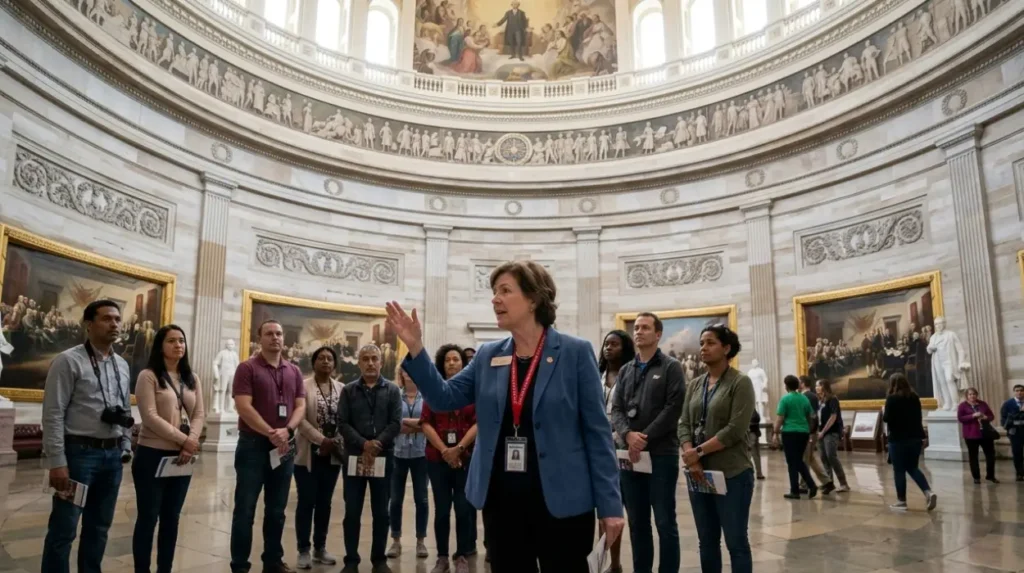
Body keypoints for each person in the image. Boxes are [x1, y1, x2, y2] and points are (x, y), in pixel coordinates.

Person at [386, 260, 624, 573]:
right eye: (494, 291)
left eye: (505, 291)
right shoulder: (489, 355)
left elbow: (597, 433)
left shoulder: (575, 352)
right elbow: (444, 398)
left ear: (534, 298)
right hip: (502, 501)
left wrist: (610, 505)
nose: (495, 299)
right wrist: (416, 347)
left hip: (564, 500)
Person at [41, 300, 133, 573]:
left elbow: (125, 408)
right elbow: (53, 413)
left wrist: (126, 444)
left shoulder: (122, 364)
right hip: (79, 455)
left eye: (117, 319)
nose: (114, 324)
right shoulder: (69, 361)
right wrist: (57, 461)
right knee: (64, 528)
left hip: (112, 456)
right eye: (106, 318)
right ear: (89, 325)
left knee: (99, 527)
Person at [230, 319, 307, 573]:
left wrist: (288, 430)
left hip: (283, 446)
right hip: (252, 446)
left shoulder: (294, 371)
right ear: (259, 338)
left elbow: (300, 406)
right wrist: (270, 432)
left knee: (277, 510)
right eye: (269, 334)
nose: (275, 338)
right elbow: (243, 406)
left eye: (279, 334)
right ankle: (240, 565)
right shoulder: (247, 368)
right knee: (245, 509)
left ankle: (272, 561)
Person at [610, 313, 684, 573]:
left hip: (661, 455)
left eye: (645, 328)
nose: (638, 332)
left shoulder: (671, 367)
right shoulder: (626, 370)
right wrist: (628, 435)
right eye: (636, 328)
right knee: (637, 523)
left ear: (658, 334)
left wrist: (644, 438)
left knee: (664, 522)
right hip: (630, 456)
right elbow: (617, 408)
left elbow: (673, 408)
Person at [678, 324, 755, 573]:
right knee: (707, 541)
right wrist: (692, 458)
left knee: (736, 542)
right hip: (699, 473)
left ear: (727, 348)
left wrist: (698, 452)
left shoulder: (740, 382)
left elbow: (735, 429)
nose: (704, 348)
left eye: (710, 343)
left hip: (732, 473)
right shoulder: (695, 384)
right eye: (702, 343)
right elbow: (683, 423)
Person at [133, 325, 205, 573]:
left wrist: (189, 442)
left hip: (182, 457)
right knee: (148, 518)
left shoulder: (192, 378)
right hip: (152, 454)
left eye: (181, 341)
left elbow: (199, 414)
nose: (178, 345)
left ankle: (165, 568)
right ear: (160, 346)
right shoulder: (148, 376)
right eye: (172, 341)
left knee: (171, 518)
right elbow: (150, 417)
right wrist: (185, 440)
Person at [338, 344, 402, 573]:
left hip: (383, 457)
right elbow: (342, 423)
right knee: (352, 511)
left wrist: (376, 444)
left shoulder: (392, 390)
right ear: (359, 363)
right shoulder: (348, 390)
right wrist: (364, 444)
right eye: (365, 359)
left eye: (374, 358)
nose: (370, 363)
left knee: (381, 512)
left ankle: (379, 560)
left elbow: (396, 423)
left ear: (381, 362)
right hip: (355, 457)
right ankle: (351, 561)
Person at [421, 344, 478, 573]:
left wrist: (459, 448)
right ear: (441, 364)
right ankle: (442, 557)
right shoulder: (433, 390)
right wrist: (446, 450)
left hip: (465, 459)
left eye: (456, 359)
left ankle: (462, 555)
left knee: (463, 509)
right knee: (442, 510)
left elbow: (478, 423)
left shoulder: (473, 391)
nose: (452, 363)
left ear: (463, 364)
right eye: (447, 360)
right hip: (438, 459)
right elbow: (426, 423)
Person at [294, 346, 343, 569]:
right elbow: (300, 419)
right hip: (307, 453)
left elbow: (346, 420)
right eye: (321, 358)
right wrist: (321, 440)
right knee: (306, 501)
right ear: (313, 363)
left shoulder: (342, 389)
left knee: (325, 503)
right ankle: (303, 549)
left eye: (329, 358)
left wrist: (334, 441)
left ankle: (320, 548)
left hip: (332, 455)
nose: (325, 361)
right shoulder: (303, 386)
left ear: (334, 364)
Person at [597, 330, 635, 573]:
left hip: (623, 446)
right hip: (599, 448)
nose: (608, 348)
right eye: (606, 344)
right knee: (603, 511)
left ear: (625, 349)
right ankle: (602, 562)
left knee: (620, 509)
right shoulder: (596, 375)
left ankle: (616, 563)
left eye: (614, 344)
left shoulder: (631, 375)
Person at [386, 367, 429, 561]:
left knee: (422, 499)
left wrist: (406, 423)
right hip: (398, 453)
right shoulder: (395, 395)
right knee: (395, 500)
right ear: (401, 374)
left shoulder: (426, 396)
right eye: (406, 371)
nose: (410, 373)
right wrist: (419, 425)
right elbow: (392, 423)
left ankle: (421, 540)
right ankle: (395, 540)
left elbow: (429, 422)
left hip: (421, 454)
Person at [884, 373, 937, 511]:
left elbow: (887, 418)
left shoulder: (892, 398)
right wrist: (923, 436)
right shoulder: (914, 397)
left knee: (899, 470)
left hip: (898, 439)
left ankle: (901, 501)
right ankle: (928, 491)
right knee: (912, 467)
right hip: (915, 438)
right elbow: (919, 417)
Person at [772, 375, 818, 500]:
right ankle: (798, 488)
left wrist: (775, 433)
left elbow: (780, 418)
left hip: (790, 432)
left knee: (792, 462)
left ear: (786, 386)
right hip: (803, 432)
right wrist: (808, 429)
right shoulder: (804, 399)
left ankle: (804, 487)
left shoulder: (785, 399)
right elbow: (811, 416)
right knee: (797, 460)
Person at [957, 387, 999, 484]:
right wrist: (972, 416)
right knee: (973, 456)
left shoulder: (983, 404)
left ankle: (990, 476)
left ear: (977, 395)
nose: (972, 396)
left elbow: (991, 416)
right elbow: (960, 418)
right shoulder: (962, 406)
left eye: (974, 394)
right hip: (971, 434)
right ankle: (976, 477)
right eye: (970, 394)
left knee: (990, 455)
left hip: (985, 433)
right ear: (967, 396)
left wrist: (985, 417)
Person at [814, 379, 849, 493]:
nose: (816, 387)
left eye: (818, 385)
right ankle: (828, 483)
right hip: (820, 431)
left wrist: (823, 432)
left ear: (824, 386)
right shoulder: (819, 400)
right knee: (824, 457)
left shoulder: (833, 399)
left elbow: (833, 417)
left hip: (831, 432)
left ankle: (843, 483)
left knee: (831, 456)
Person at [797, 376, 829, 491]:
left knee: (805, 458)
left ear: (803, 383)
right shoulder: (811, 396)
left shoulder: (807, 396)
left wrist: (810, 432)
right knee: (810, 458)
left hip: (809, 431)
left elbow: (812, 416)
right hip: (810, 430)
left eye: (799, 382)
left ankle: (804, 484)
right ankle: (827, 481)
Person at [1000, 384, 1024, 481]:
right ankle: (1020, 473)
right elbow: (1003, 419)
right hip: (1015, 431)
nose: (1019, 392)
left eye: (1021, 390)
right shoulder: (1008, 403)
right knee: (1017, 453)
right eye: (1017, 390)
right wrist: (1020, 411)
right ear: (1014, 392)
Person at [748, 410, 764, 480]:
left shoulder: (747, 408)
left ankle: (753, 473)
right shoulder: (751, 408)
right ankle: (758, 473)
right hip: (754, 433)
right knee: (755, 454)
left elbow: (755, 418)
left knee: (751, 454)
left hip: (751, 433)